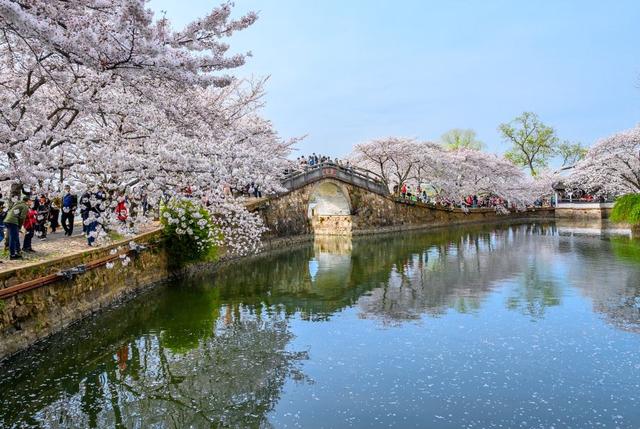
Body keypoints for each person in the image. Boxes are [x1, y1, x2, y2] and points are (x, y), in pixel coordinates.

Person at [4, 195, 29, 260]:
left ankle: (18, 251)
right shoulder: (25, 206)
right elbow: (22, 217)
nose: (31, 203)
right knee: (13, 238)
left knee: (15, 237)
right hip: (13, 222)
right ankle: (12, 255)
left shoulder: (17, 204)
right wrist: (20, 226)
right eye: (31, 201)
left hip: (7, 220)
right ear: (28, 201)